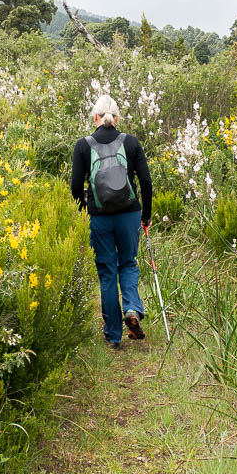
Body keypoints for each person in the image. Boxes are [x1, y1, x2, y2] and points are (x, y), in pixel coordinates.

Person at [71, 95, 153, 349]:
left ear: (95, 118)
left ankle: (113, 336)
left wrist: (87, 209)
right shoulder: (131, 142)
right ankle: (131, 309)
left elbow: (75, 188)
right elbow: (146, 183)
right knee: (128, 263)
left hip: (100, 218)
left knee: (107, 273)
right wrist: (145, 215)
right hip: (129, 214)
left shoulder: (83, 146)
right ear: (117, 118)